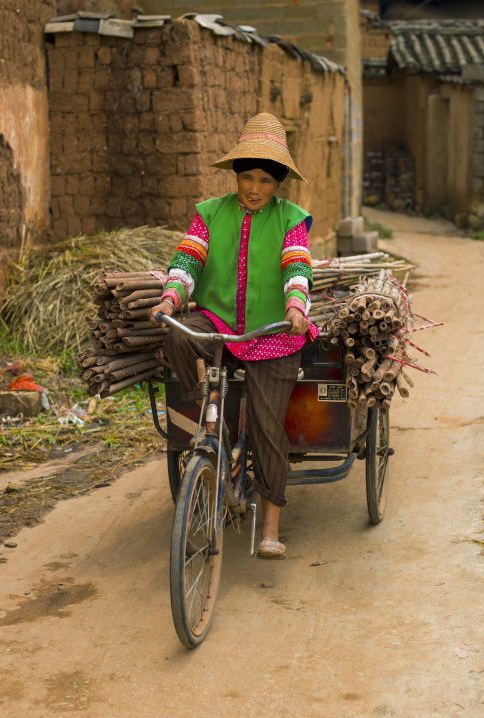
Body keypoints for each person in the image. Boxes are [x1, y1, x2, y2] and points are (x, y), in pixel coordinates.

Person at [149, 113, 318, 558]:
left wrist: (296, 306)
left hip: (274, 332)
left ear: (277, 183)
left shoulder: (290, 219)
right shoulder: (210, 212)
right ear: (236, 175)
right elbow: (189, 259)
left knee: (267, 426)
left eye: (265, 179)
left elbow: (297, 266)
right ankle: (202, 422)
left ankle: (270, 527)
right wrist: (171, 296)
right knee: (179, 337)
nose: (255, 188)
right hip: (219, 323)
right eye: (248, 177)